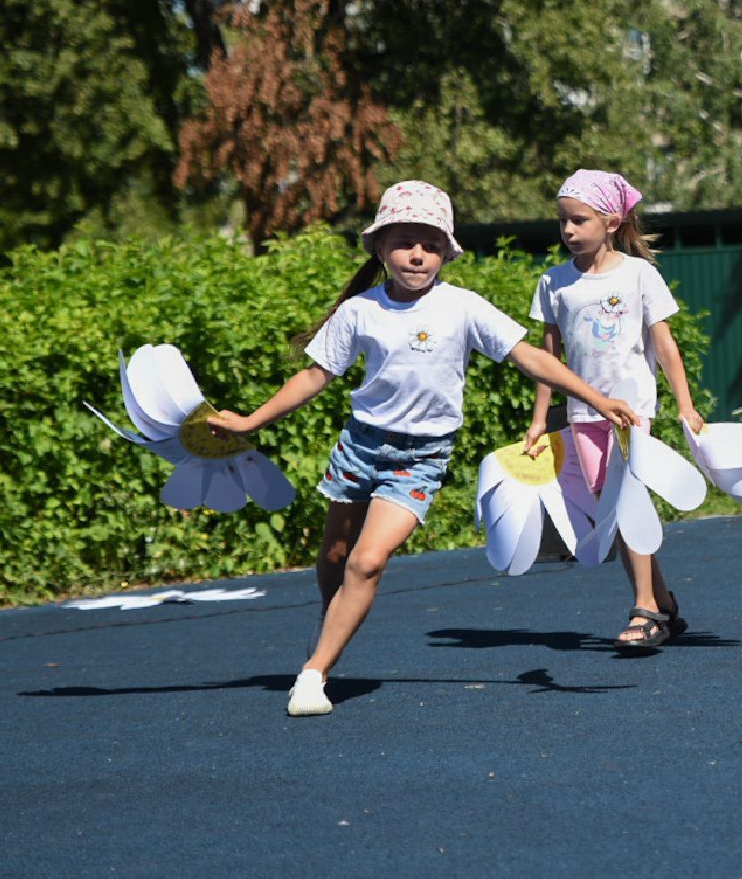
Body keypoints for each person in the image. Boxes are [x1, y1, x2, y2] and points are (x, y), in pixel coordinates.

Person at [208, 181, 637, 715]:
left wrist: (596, 398)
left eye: (430, 245)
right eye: (405, 242)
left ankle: (313, 674)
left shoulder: (463, 307)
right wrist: (250, 421)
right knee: (337, 556)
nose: (417, 254)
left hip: (421, 456)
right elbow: (315, 377)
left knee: (366, 562)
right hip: (359, 446)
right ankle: (333, 623)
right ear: (381, 247)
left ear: (445, 252)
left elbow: (530, 357)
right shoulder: (360, 311)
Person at [523, 169, 704, 652]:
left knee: (629, 505)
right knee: (617, 511)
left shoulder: (640, 274)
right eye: (562, 221)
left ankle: (644, 608)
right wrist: (541, 419)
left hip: (634, 411)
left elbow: (665, 346)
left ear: (610, 219)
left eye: (579, 220)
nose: (568, 231)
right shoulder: (554, 283)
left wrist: (685, 405)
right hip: (583, 415)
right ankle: (662, 602)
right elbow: (547, 358)